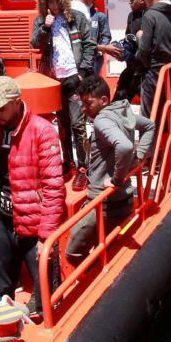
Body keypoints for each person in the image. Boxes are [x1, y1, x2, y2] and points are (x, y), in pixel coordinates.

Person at [0, 76, 65, 315]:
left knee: (44, 291)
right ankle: (4, 315)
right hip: (4, 217)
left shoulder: (42, 132)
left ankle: (43, 311)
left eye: (1, 109)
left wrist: (46, 236)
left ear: (16, 102)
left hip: (33, 222)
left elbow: (54, 187)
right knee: (2, 281)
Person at [66, 76, 155, 263]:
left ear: (104, 100)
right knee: (108, 240)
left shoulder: (101, 121)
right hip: (125, 199)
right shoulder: (122, 112)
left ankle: (94, 273)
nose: (83, 109)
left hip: (105, 205)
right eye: (81, 104)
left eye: (87, 104)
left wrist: (116, 179)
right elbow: (149, 126)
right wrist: (139, 156)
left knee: (70, 252)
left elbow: (123, 146)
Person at [30, 0, 95, 186]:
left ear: (62, 0)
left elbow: (89, 44)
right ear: (45, 3)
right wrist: (45, 27)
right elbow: (35, 43)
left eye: (56, 0)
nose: (54, 5)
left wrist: (82, 72)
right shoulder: (42, 21)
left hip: (74, 77)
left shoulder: (76, 18)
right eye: (49, 2)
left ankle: (83, 167)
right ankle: (68, 163)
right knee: (63, 125)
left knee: (78, 124)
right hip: (53, 80)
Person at [71, 0, 112, 76]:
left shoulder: (85, 9)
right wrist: (103, 48)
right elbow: (77, 42)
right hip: (79, 63)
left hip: (87, 59)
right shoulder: (77, 11)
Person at [112, 0, 148, 102]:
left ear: (142, 0)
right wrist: (121, 50)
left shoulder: (151, 16)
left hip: (146, 69)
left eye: (132, 0)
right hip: (131, 66)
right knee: (119, 99)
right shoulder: (131, 16)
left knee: (148, 103)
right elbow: (128, 36)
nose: (130, 3)